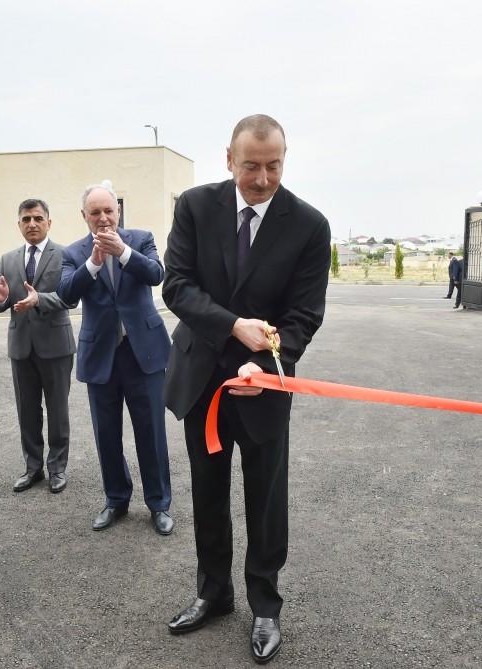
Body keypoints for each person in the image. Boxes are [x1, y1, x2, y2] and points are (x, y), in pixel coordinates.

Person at [162, 115, 331, 664]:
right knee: (207, 492)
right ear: (228, 159)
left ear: (285, 158)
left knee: (265, 498)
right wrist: (234, 326)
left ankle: (265, 605)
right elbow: (178, 285)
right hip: (203, 380)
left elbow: (305, 313)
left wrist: (271, 363)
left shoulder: (309, 225)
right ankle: (213, 593)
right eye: (251, 165)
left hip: (265, 384)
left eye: (274, 165)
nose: (262, 178)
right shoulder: (193, 206)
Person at [56, 181, 174, 536]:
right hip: (101, 356)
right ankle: (116, 499)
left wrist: (122, 252)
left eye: (109, 210)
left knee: (151, 432)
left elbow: (156, 274)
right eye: (96, 212)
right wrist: (92, 265)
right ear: (84, 216)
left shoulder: (140, 239)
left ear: (118, 211)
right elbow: (65, 295)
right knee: (106, 434)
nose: (104, 218)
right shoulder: (73, 253)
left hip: (144, 353)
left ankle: (159, 504)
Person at [0, 199, 75, 494]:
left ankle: (57, 468)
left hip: (56, 345)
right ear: (18, 224)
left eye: (37, 218)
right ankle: (32, 467)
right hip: (21, 346)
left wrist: (40, 300)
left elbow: (70, 298)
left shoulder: (65, 255)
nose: (31, 224)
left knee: (57, 410)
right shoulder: (8, 259)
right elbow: (3, 302)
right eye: (25, 219)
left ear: (49, 221)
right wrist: (0, 299)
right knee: (27, 411)